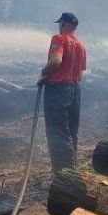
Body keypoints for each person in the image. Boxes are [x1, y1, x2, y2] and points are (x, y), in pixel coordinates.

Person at [39, 12, 86, 173]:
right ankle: (71, 171)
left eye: (59, 24)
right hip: (75, 90)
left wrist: (44, 72)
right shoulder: (80, 45)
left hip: (58, 91)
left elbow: (56, 61)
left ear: (64, 24)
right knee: (71, 132)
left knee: (58, 133)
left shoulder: (59, 39)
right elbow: (81, 71)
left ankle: (63, 176)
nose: (58, 27)